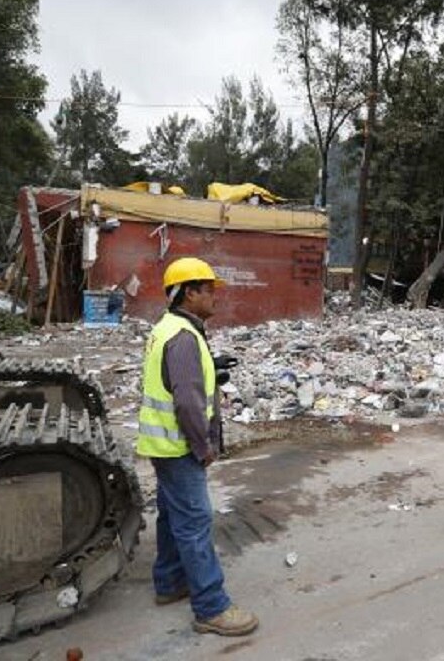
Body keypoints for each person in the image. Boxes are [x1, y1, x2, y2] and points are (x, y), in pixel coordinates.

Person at [136, 256, 258, 637]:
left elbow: (178, 380)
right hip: (179, 447)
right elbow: (188, 401)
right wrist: (203, 446)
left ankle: (170, 583)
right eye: (208, 290)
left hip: (161, 444)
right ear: (189, 293)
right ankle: (211, 606)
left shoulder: (169, 328)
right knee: (195, 521)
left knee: (173, 516)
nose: (214, 297)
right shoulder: (185, 337)